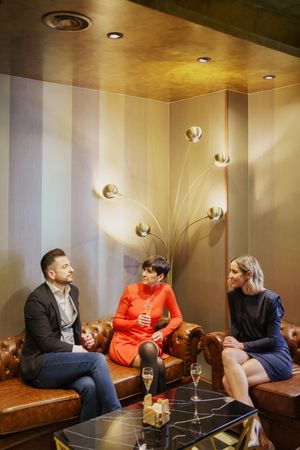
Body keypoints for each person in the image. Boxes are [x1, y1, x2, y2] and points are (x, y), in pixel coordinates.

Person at [20, 248, 121, 421]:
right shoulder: (36, 300)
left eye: (70, 265)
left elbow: (68, 326)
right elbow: (46, 342)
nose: (71, 269)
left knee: (90, 386)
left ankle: (84, 442)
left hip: (65, 360)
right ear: (51, 273)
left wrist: (81, 338)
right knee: (97, 359)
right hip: (41, 364)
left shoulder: (73, 291)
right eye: (65, 266)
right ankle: (117, 415)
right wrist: (77, 350)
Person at [222, 255, 292, 449]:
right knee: (227, 353)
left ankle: (254, 434)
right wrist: (232, 339)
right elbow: (236, 323)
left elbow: (273, 339)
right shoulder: (233, 295)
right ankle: (257, 432)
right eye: (230, 271)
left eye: (234, 271)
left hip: (275, 355)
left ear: (249, 274)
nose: (230, 275)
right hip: (252, 350)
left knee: (228, 381)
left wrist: (242, 346)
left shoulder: (270, 299)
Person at [109, 255, 183, 395]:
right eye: (144, 270)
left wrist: (163, 332)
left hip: (147, 339)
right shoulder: (130, 290)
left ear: (160, 277)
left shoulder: (166, 290)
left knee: (149, 348)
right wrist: (135, 322)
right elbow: (116, 323)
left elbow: (177, 317)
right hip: (125, 341)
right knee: (159, 363)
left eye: (149, 271)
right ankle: (155, 406)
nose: (143, 274)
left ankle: (149, 406)